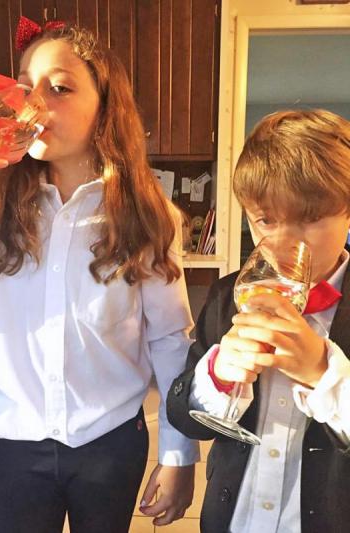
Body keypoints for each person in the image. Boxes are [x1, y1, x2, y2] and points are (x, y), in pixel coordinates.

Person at [0, 16, 199, 533]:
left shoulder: (148, 218)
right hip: (20, 441)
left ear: (105, 107)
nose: (34, 102)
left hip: (111, 440)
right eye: (25, 85)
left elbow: (172, 341)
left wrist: (180, 455)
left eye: (58, 87)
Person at [167, 109, 350, 533]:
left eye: (310, 219)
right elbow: (182, 414)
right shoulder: (229, 294)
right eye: (266, 220)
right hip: (236, 517)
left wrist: (324, 374)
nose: (285, 244)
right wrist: (215, 376)